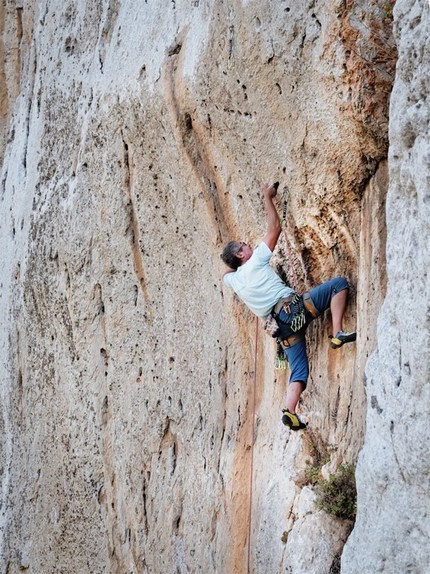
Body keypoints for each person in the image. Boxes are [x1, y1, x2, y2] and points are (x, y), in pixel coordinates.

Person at [221, 183, 356, 431]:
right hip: (294, 310)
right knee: (339, 285)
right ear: (242, 255)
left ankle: (290, 411)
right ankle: (337, 333)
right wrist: (266, 196)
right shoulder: (256, 261)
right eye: (243, 245)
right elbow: (275, 227)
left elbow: (226, 271)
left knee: (299, 373)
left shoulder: (234, 281)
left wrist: (233, 259)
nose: (247, 244)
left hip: (281, 331)